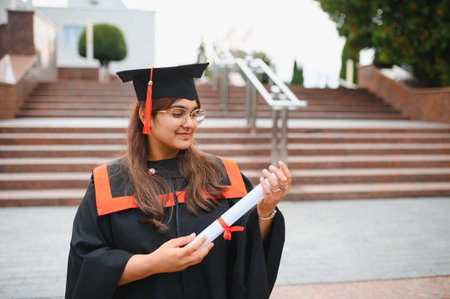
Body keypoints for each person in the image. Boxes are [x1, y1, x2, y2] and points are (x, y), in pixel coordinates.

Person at [65, 62, 291, 299]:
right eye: (178, 113)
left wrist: (265, 212)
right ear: (145, 114)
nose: (190, 123)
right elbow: (87, 263)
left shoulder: (223, 174)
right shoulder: (109, 184)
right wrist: (152, 263)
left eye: (195, 114)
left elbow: (249, 251)